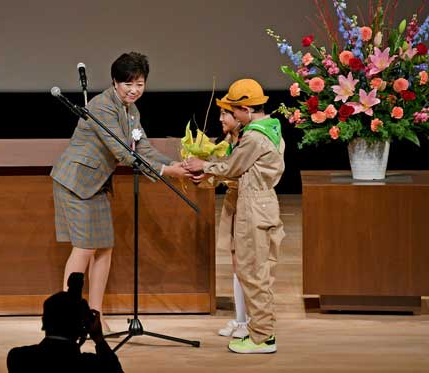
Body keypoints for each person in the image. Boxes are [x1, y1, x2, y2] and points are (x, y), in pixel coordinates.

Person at [50, 52, 190, 332]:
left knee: (104, 249)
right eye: (128, 83)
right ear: (115, 82)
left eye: (140, 83)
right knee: (85, 248)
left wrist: (175, 164)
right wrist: (165, 173)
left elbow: (143, 148)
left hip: (98, 185)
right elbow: (124, 153)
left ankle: (94, 317)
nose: (134, 90)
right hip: (76, 183)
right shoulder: (102, 107)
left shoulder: (131, 110)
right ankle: (67, 321)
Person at [185, 79, 285, 354]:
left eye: (231, 109)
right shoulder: (268, 129)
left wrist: (203, 165)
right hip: (258, 204)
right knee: (251, 270)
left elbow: (232, 166)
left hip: (254, 207)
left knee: (253, 273)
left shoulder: (255, 136)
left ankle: (262, 337)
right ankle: (257, 331)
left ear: (245, 109)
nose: (228, 115)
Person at [7, 273, 123, 372]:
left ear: (44, 322)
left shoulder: (18, 358)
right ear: (84, 327)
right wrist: (99, 339)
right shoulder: (91, 365)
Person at [214, 97, 249, 339]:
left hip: (248, 204)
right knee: (236, 263)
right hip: (232, 203)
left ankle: (249, 322)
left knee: (246, 264)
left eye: (224, 114)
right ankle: (240, 319)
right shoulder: (228, 141)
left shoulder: (250, 141)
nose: (220, 119)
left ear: (238, 115)